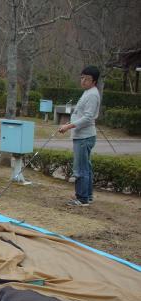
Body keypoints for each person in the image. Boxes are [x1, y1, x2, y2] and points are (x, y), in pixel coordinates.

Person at [59, 65, 101, 207]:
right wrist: (70, 122)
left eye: (87, 79)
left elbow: (88, 118)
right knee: (86, 168)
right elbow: (81, 114)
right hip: (82, 136)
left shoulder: (92, 95)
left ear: (94, 81)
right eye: (82, 77)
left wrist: (68, 126)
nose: (83, 81)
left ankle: (82, 198)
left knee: (81, 168)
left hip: (84, 137)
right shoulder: (88, 92)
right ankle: (87, 196)